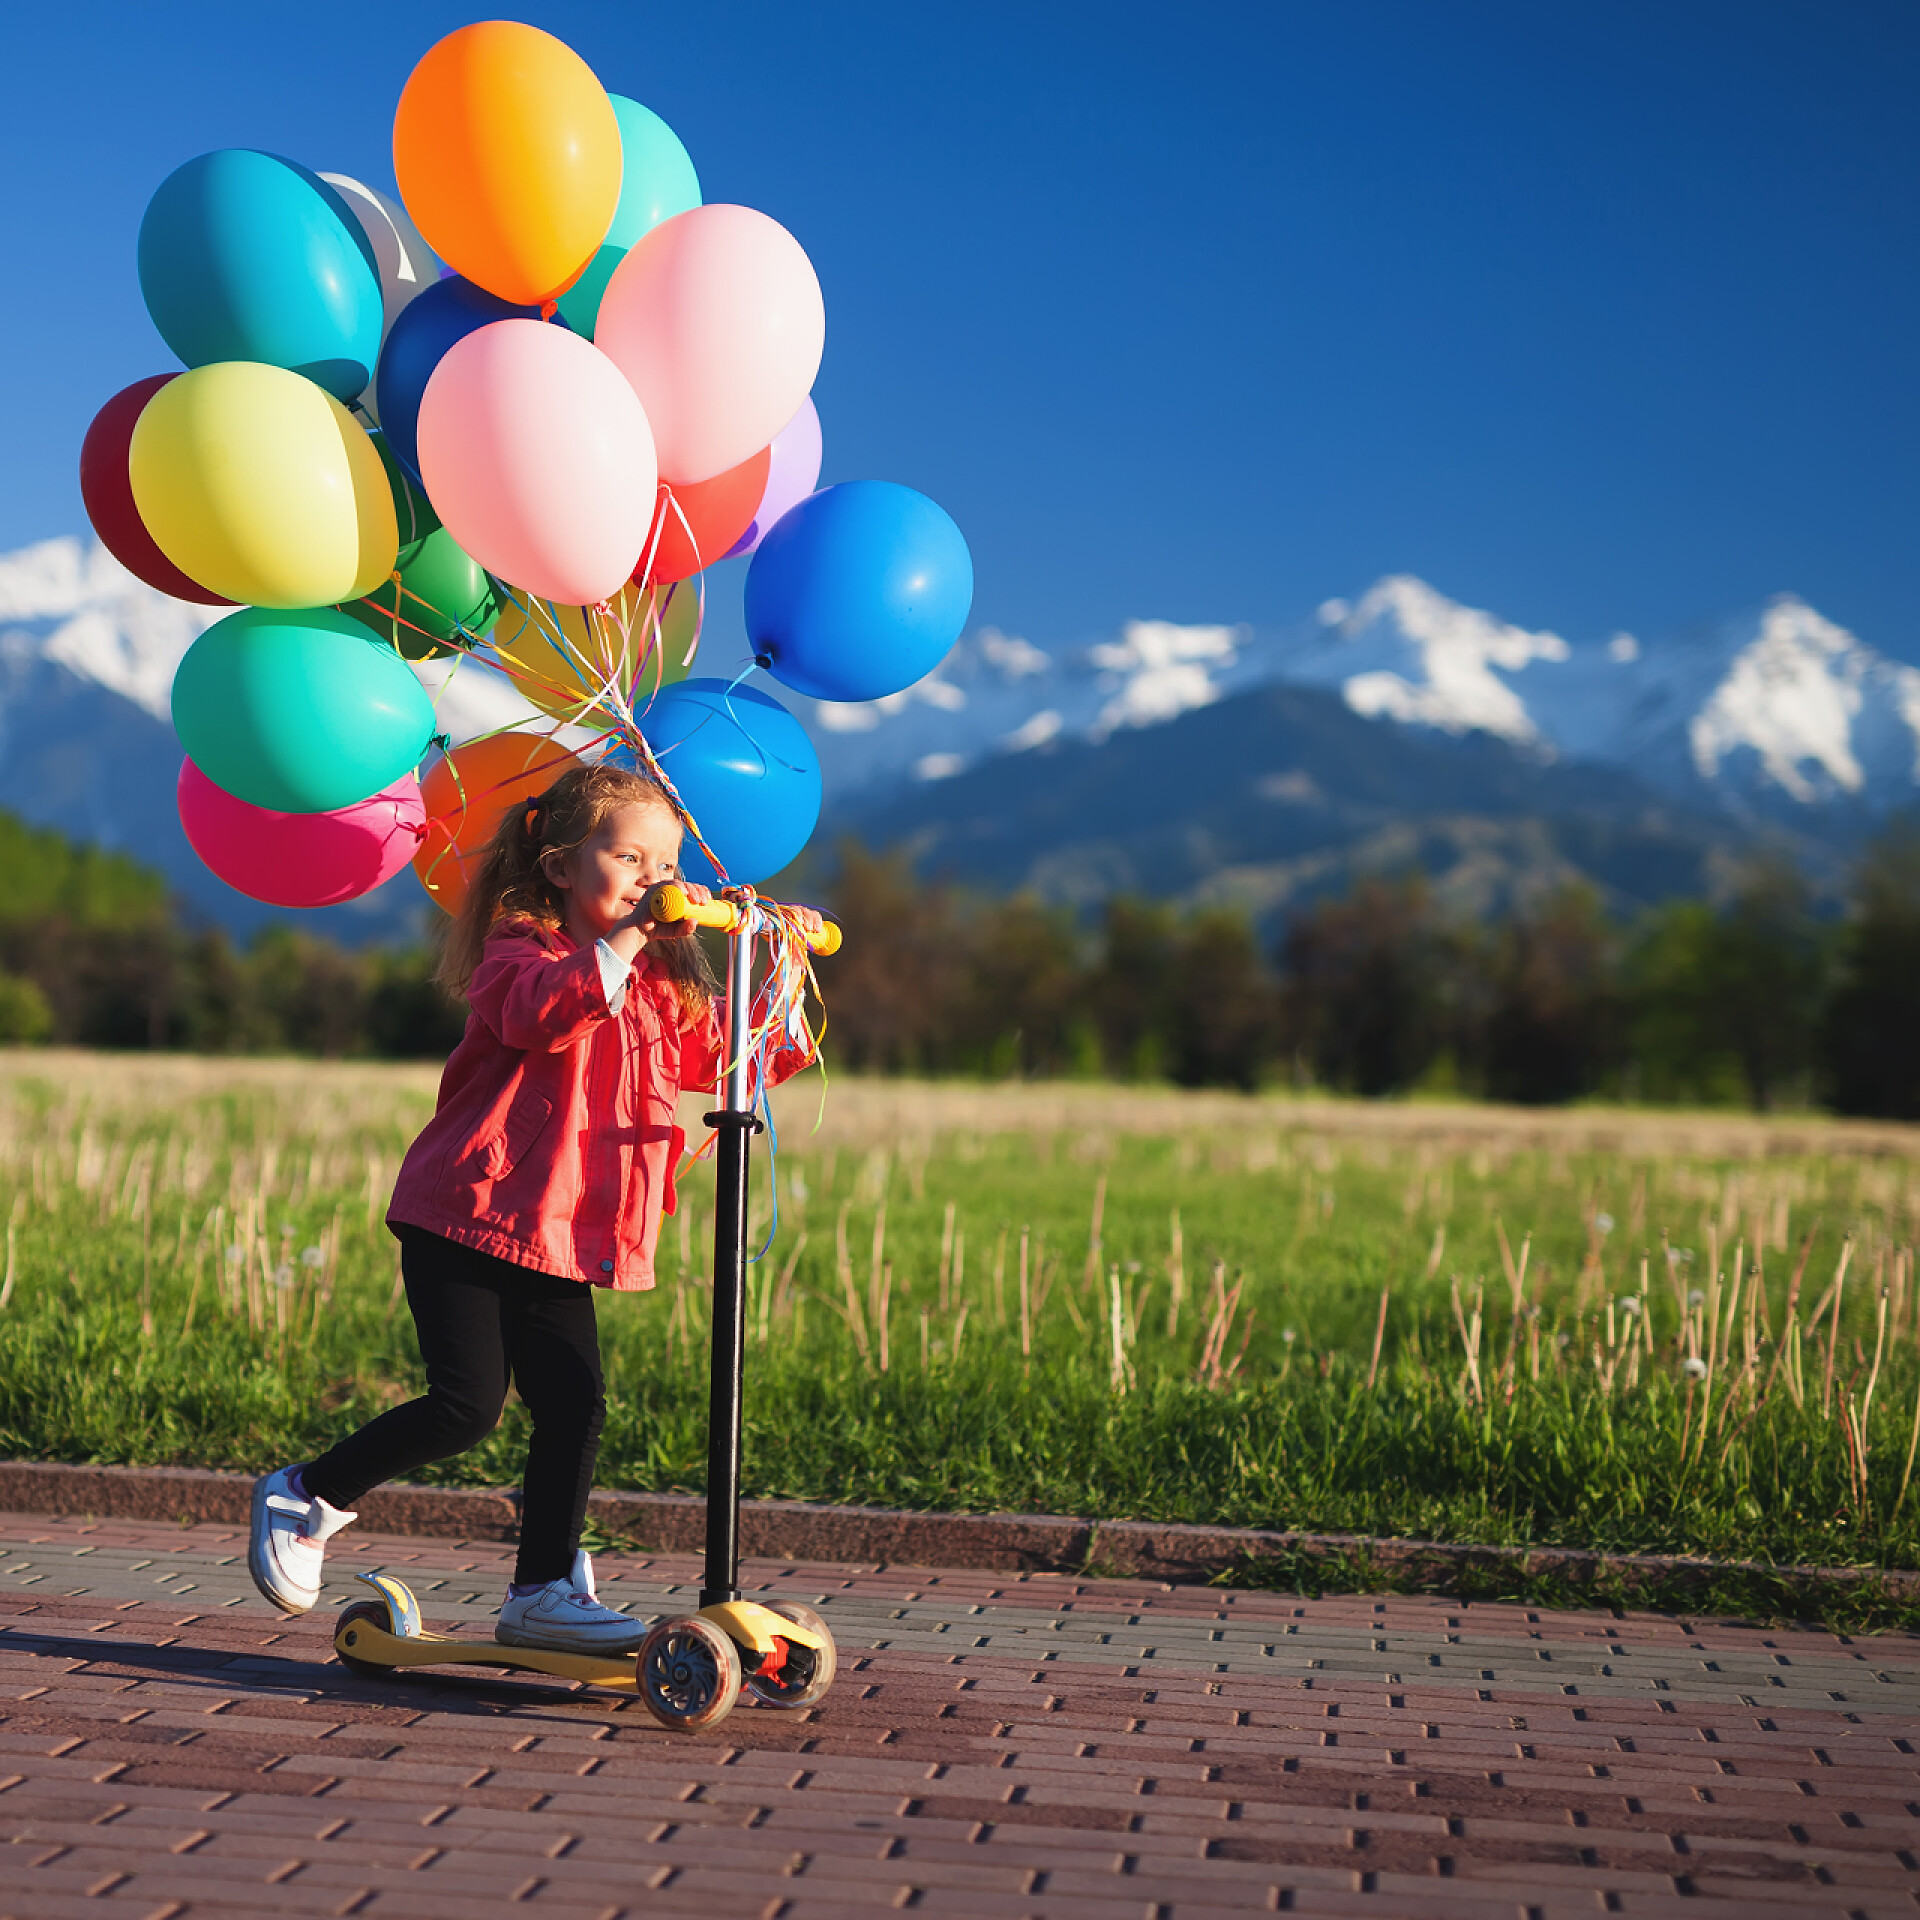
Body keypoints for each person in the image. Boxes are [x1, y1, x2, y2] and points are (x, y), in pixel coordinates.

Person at [246, 762, 820, 1650]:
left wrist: (774, 960)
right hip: (466, 1215)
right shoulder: (523, 950)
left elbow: (728, 1057)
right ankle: (310, 1493)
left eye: (665, 870)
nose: (651, 883)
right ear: (559, 867)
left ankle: (543, 1587)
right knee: (467, 1406)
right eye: (629, 860)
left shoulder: (661, 984)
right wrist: (627, 944)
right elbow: (535, 1017)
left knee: (574, 1402)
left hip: (559, 1234)